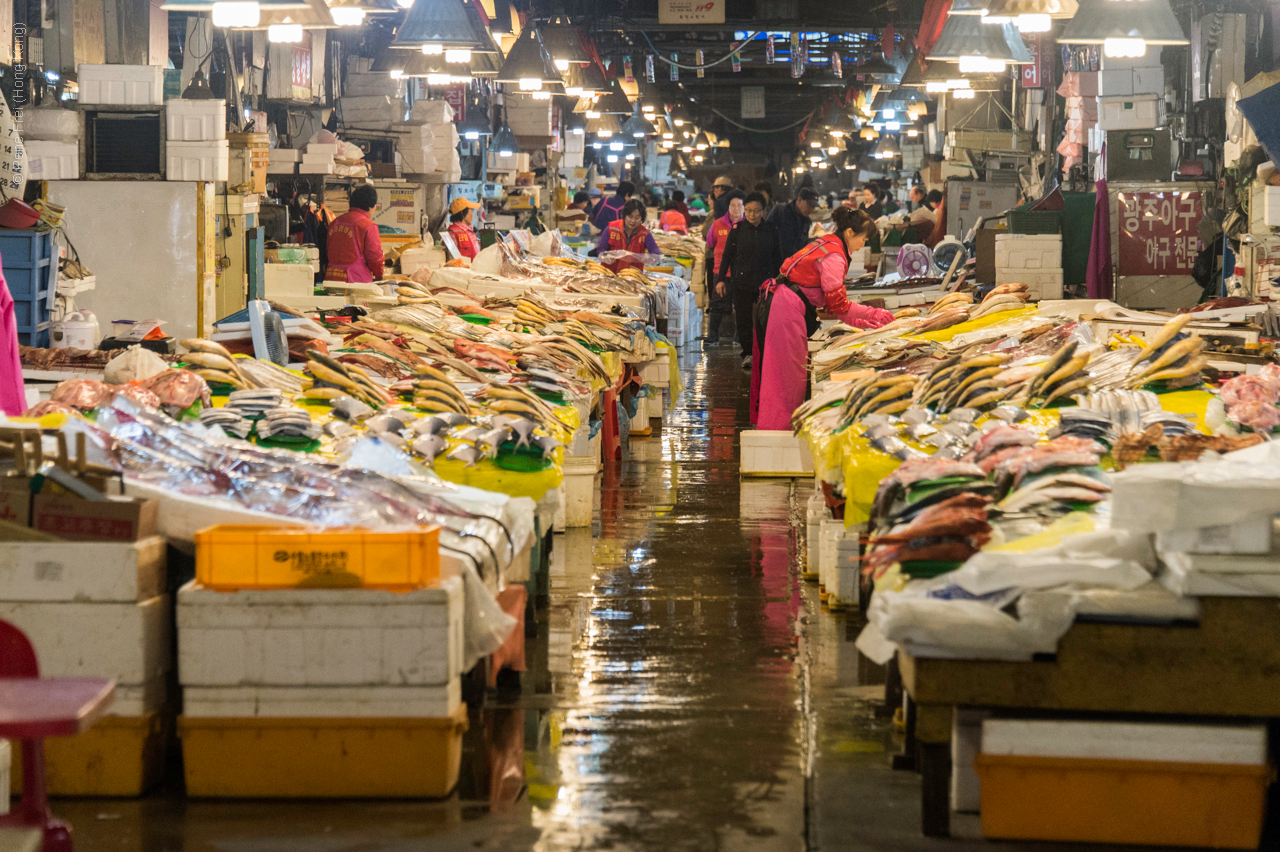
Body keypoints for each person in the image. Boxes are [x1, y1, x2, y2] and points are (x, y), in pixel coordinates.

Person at [751, 206, 895, 429]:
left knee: (782, 375)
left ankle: (779, 430)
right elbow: (839, 307)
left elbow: (834, 307)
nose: (863, 245)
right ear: (849, 233)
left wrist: (865, 321)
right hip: (785, 310)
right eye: (863, 239)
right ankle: (778, 434)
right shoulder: (835, 256)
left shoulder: (828, 241)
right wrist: (874, 314)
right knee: (784, 380)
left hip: (780, 303)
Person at [716, 192, 782, 368]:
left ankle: (766, 353)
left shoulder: (771, 230)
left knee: (766, 319)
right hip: (742, 283)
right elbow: (727, 256)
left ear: (764, 211)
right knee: (743, 320)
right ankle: (748, 354)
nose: (752, 215)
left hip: (766, 284)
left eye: (757, 211)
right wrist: (721, 279)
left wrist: (781, 281)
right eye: (749, 211)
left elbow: (778, 257)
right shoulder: (737, 230)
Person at [705, 191, 745, 344]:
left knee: (740, 306)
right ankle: (713, 336)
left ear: (744, 207)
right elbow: (710, 242)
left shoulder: (747, 225)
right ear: (728, 207)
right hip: (720, 272)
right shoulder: (717, 224)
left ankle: (739, 337)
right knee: (717, 304)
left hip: (741, 273)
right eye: (733, 205)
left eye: (739, 205)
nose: (736, 209)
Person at [324, 184, 384, 282]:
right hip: (356, 281)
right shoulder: (368, 226)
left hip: (331, 279)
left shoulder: (335, 223)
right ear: (370, 206)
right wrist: (380, 274)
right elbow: (375, 258)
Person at [595, 199, 658, 273]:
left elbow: (655, 252)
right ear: (624, 216)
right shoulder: (611, 228)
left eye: (637, 218)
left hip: (632, 278)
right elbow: (601, 248)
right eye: (630, 216)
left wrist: (650, 258)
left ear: (642, 218)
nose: (633, 221)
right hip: (609, 275)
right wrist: (604, 257)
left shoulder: (645, 234)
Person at [767, 186, 819, 260]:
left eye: (813, 206)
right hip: (776, 264)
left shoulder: (806, 222)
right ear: (799, 200)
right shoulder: (780, 211)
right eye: (809, 205)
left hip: (793, 266)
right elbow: (766, 235)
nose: (811, 209)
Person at [445, 197, 482, 261]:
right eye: (470, 210)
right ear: (462, 214)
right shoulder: (452, 233)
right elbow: (451, 260)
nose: (472, 214)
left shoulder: (469, 231)